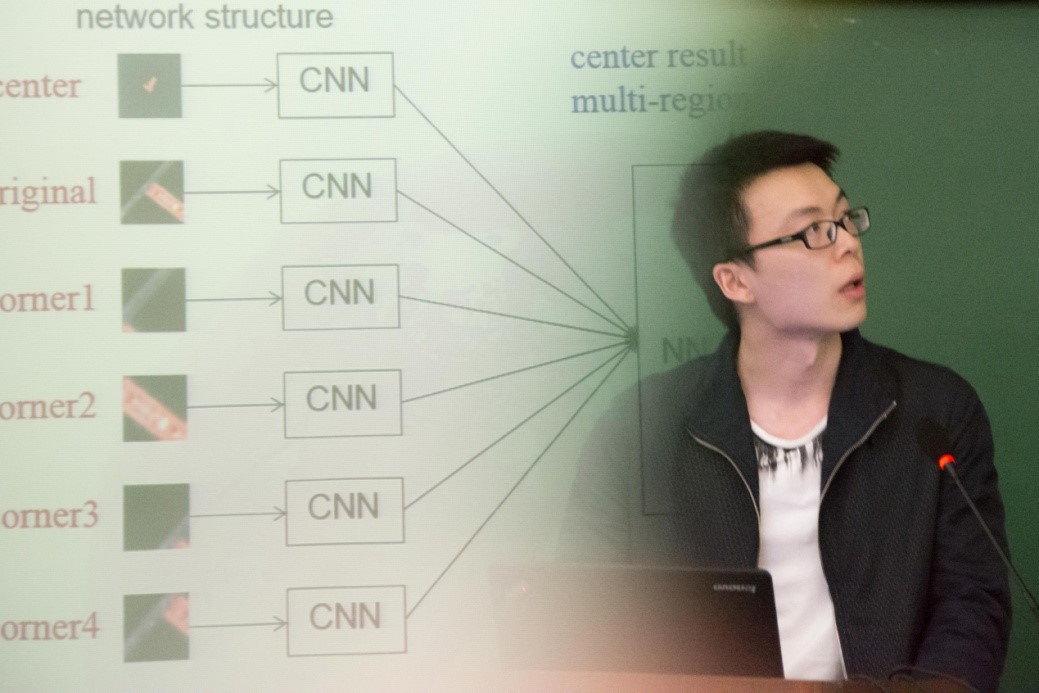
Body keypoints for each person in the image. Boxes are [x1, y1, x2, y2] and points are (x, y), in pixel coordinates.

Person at [559, 131, 1011, 691]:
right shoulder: (642, 427)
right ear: (735, 280)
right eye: (813, 232)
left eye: (845, 219)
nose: (847, 244)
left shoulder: (934, 409)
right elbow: (584, 609)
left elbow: (973, 602)